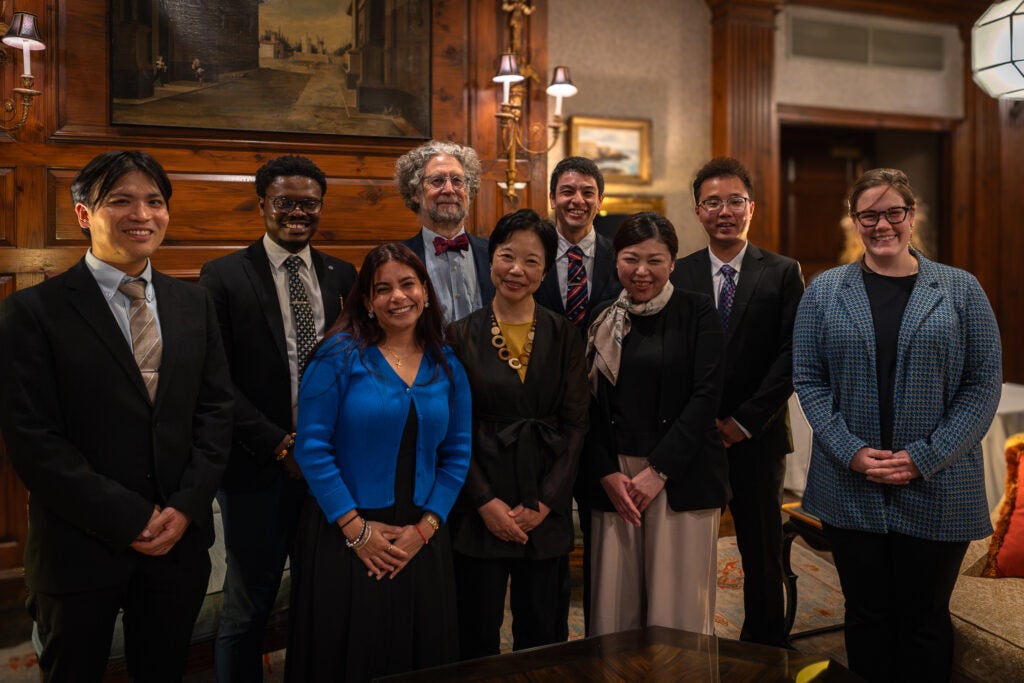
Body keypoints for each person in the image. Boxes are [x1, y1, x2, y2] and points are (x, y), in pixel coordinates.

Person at [0, 150, 233, 681]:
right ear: (84, 214)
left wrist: (187, 505)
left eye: (155, 201)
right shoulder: (33, 312)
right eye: (121, 201)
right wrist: (129, 518)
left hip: (177, 544)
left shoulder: (192, 304)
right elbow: (33, 440)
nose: (142, 215)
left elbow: (216, 410)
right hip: (80, 547)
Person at [793, 168, 1002, 683]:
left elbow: (983, 384)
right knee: (865, 617)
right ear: (854, 221)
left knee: (924, 621)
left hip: (939, 486)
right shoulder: (824, 291)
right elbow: (808, 377)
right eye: (869, 215)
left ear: (911, 216)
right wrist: (852, 451)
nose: (881, 224)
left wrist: (924, 456)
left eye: (893, 213)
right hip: (850, 485)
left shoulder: (961, 289)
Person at [198, 155, 357, 682]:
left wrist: (318, 449)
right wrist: (282, 446)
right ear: (262, 205)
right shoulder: (222, 276)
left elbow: (355, 369)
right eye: (285, 202)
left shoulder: (343, 275)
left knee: (321, 599)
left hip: (330, 471)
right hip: (255, 471)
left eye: (308, 203)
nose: (297, 212)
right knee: (249, 606)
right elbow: (216, 381)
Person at [285, 243, 472, 682]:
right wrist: (357, 531)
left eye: (407, 284)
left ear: (425, 290)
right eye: (382, 288)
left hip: (420, 537)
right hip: (345, 536)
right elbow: (311, 448)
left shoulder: (448, 363)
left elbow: (458, 454)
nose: (397, 296)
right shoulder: (337, 356)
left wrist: (425, 529)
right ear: (367, 301)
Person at [671, 157, 804, 647]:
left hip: (759, 434)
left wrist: (744, 421)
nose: (723, 210)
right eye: (712, 202)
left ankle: (765, 646)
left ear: (752, 208)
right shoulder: (678, 272)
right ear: (698, 211)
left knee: (761, 549)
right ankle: (686, 638)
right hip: (693, 437)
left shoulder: (783, 272)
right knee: (687, 548)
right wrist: (701, 422)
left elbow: (794, 353)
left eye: (734, 201)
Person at [447, 209, 588, 658]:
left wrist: (546, 502)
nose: (516, 270)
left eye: (531, 261)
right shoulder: (458, 335)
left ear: (545, 270)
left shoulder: (564, 333)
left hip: (544, 502)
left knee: (545, 632)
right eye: (507, 256)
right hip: (480, 504)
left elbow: (577, 424)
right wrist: (486, 503)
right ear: (491, 261)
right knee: (475, 632)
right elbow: (452, 431)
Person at [582, 212, 730, 637]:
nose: (641, 271)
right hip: (616, 478)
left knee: (676, 609)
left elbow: (706, 397)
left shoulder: (698, 310)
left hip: (680, 473)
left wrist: (659, 470)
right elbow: (585, 403)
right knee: (615, 608)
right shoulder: (601, 316)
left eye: (655, 260)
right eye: (631, 259)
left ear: (673, 264)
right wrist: (606, 471)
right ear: (616, 261)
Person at [534, 156, 622, 636]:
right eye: (567, 191)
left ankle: (602, 638)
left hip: (606, 418)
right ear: (552, 198)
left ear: (600, 201)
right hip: (542, 420)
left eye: (588, 192)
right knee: (549, 536)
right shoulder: (529, 253)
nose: (577, 200)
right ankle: (551, 642)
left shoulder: (621, 255)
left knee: (605, 539)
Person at [396, 140, 494, 323]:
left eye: (457, 181)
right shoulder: (397, 260)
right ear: (415, 193)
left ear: (469, 190)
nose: (449, 190)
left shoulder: (494, 254)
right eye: (437, 181)